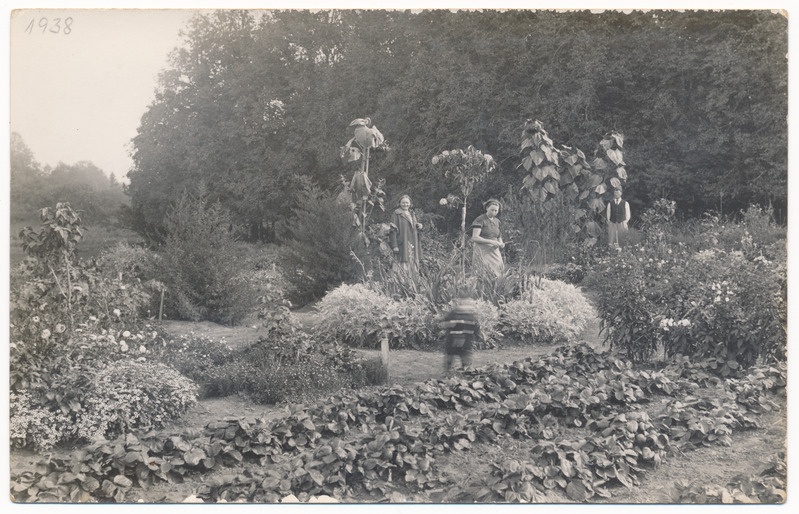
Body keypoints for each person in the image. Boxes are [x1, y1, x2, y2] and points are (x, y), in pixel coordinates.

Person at [440, 297, 481, 373]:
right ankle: (463, 370)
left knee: (451, 357)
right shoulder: (471, 316)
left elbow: (445, 324)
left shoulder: (454, 313)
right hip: (465, 341)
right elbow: (476, 329)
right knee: (463, 358)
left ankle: (449, 371)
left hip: (453, 340)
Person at [470, 198, 505, 276]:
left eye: (496, 211)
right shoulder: (480, 219)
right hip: (482, 250)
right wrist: (491, 242)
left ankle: (495, 287)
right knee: (482, 272)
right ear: (487, 208)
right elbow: (475, 237)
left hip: (494, 250)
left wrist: (501, 243)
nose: (494, 212)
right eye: (492, 210)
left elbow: (498, 236)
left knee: (498, 271)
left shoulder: (497, 221)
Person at [388, 194, 423, 273]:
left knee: (412, 260)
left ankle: (412, 282)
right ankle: (402, 281)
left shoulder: (412, 214)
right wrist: (395, 246)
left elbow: (414, 227)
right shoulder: (396, 214)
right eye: (403, 202)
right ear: (399, 203)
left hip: (413, 242)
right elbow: (393, 230)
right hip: (403, 242)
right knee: (403, 260)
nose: (405, 204)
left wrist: (419, 226)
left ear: (410, 203)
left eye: (407, 203)